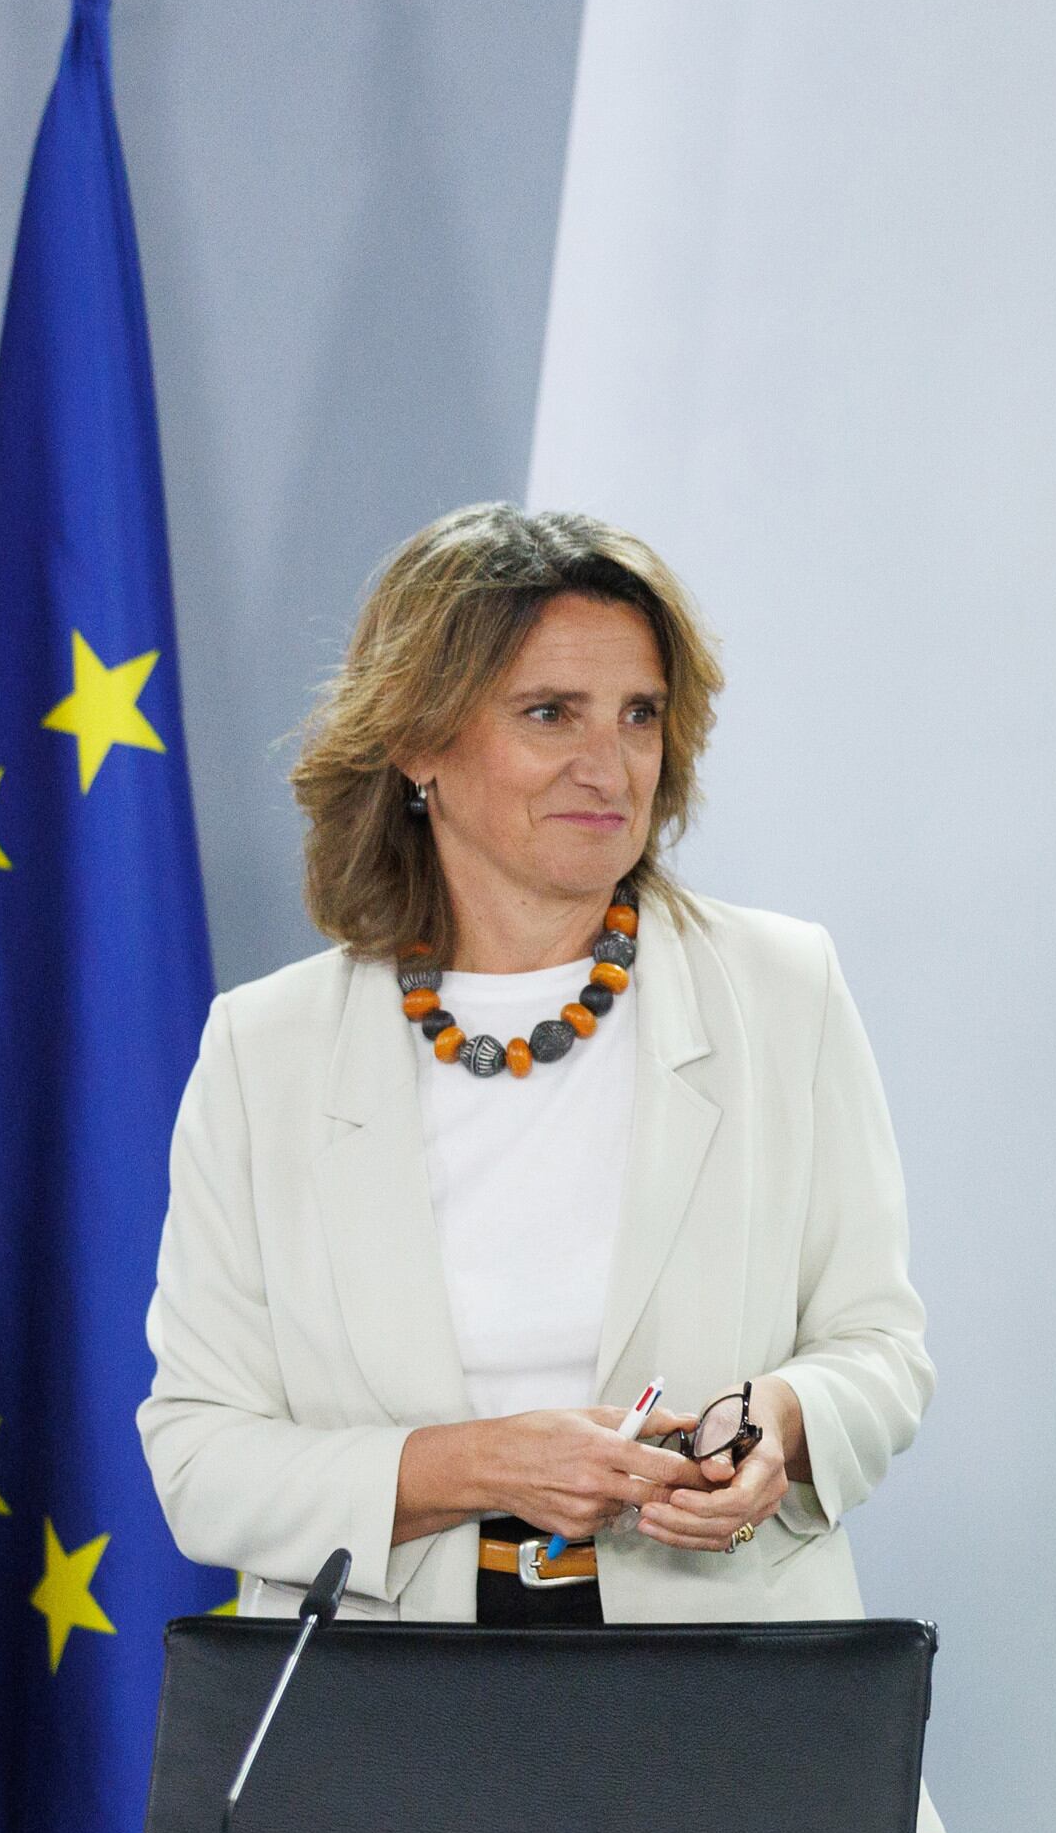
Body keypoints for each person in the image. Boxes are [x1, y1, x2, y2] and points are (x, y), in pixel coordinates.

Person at [140, 504, 933, 1648]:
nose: (607, 766)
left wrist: (781, 1420)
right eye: (550, 712)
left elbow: (880, 1350)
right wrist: (480, 1466)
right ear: (418, 742)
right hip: (387, 1700)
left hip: (723, 1680)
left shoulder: (782, 988)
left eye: (640, 715)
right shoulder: (266, 1048)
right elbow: (200, 1459)